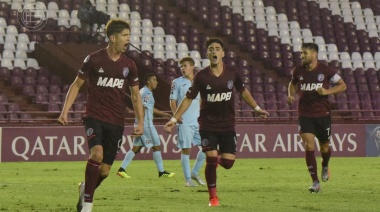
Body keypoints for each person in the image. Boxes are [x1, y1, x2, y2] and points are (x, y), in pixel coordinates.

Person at [164, 38, 269, 206]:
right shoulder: (201, 76)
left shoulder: (232, 73)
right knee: (211, 159)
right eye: (211, 49)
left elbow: (243, 91)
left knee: (227, 163)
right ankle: (213, 198)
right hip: (207, 125)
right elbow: (188, 98)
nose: (214, 51)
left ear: (223, 53)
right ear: (207, 54)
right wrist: (174, 118)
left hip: (227, 124)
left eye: (217, 48)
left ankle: (216, 160)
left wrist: (257, 108)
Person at [57, 19, 144, 212]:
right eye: (125, 35)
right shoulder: (94, 59)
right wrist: (65, 111)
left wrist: (140, 122)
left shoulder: (130, 65)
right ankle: (87, 205)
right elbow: (76, 84)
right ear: (113, 38)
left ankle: (84, 189)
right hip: (94, 116)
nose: (128, 39)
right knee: (96, 153)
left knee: (104, 171)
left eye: (129, 35)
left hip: (116, 121)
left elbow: (136, 95)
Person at [287, 43, 347, 193]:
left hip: (322, 115)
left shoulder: (326, 70)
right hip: (305, 114)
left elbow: (342, 85)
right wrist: (291, 94)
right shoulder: (298, 71)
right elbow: (292, 84)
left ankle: (325, 164)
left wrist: (327, 91)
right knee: (309, 145)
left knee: (325, 147)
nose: (302, 56)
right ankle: (315, 182)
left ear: (314, 55)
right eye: (301, 53)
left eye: (304, 53)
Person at [117, 73, 175, 178]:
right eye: (154, 80)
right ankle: (161, 172)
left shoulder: (145, 92)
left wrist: (162, 113)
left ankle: (122, 169)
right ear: (149, 81)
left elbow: (148, 108)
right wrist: (141, 124)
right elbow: (142, 108)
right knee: (156, 145)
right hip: (146, 124)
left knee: (136, 148)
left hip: (142, 123)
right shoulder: (146, 93)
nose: (156, 82)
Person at [169, 57, 206, 187]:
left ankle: (195, 172)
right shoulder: (177, 82)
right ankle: (188, 180)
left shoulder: (199, 82)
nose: (182, 68)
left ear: (192, 66)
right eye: (181, 66)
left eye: (185, 65)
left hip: (198, 121)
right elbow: (172, 100)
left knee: (208, 147)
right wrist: (176, 115)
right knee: (186, 150)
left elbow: (201, 101)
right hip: (184, 121)